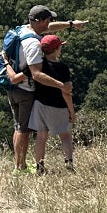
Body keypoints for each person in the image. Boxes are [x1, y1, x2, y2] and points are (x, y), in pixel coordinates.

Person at [6, 5, 88, 173]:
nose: (50, 22)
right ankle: (19, 168)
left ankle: (24, 166)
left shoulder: (23, 30)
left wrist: (71, 24)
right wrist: (62, 86)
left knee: (20, 127)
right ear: (40, 21)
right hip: (25, 91)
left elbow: (48, 28)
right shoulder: (34, 44)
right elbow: (36, 74)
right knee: (24, 130)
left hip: (13, 87)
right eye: (48, 20)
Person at [30, 34, 76, 174]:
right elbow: (66, 92)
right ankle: (69, 165)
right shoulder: (62, 68)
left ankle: (40, 167)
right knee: (65, 136)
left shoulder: (38, 65)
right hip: (58, 106)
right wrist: (71, 112)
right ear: (57, 49)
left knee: (41, 136)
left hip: (39, 104)